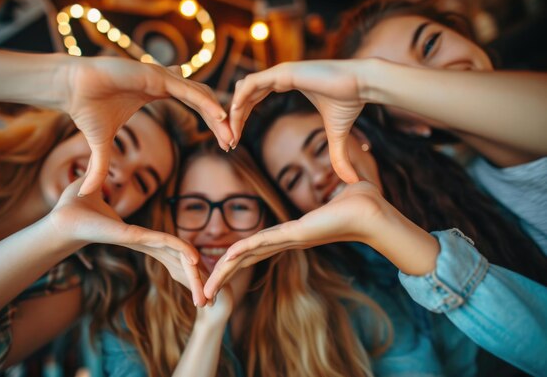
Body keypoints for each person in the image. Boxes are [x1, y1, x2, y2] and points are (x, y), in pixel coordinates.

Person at [0, 35, 232, 375]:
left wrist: (58, 230)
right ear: (71, 126)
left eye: (142, 182)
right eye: (117, 143)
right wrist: (64, 81)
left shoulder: (65, 287)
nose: (119, 174)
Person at [205, 93, 547, 376]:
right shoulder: (338, 295)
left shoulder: (469, 186)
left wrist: (384, 223)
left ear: (361, 137)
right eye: (293, 179)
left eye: (320, 147)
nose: (317, 176)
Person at [226, 0, 547, 253]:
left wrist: (363, 80)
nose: (438, 76)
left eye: (430, 45)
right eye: (292, 177)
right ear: (409, 128)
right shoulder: (477, 198)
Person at [100, 139, 397, 377]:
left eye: (240, 207)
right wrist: (209, 323)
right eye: (194, 206)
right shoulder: (129, 327)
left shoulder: (347, 305)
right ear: (169, 218)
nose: (216, 227)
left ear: (267, 219)